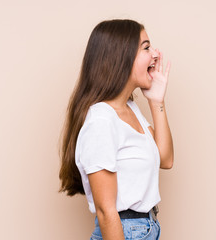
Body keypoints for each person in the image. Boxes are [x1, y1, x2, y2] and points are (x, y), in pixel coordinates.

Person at [59, 19, 174, 240]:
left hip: (146, 228)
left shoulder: (130, 108)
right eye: (146, 48)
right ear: (122, 56)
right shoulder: (101, 120)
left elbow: (165, 159)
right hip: (126, 232)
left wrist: (157, 101)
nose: (155, 55)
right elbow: (105, 211)